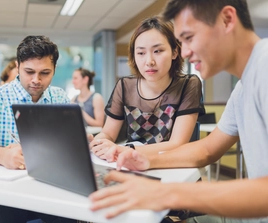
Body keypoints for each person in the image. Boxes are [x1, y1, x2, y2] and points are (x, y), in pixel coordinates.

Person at [89, 1, 268, 223]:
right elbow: (206, 150)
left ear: (227, 20)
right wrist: (144, 160)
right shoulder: (242, 88)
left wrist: (168, 193)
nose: (184, 52)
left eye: (189, 37)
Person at [0, 36, 75, 223]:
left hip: (48, 186)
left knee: (70, 214)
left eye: (45, 73)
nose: (36, 80)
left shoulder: (59, 97)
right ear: (18, 66)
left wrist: (78, 142)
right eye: (29, 72)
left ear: (54, 70)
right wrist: (2, 156)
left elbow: (69, 145)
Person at [89, 16, 205, 161]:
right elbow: (108, 133)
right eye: (141, 53)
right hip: (131, 164)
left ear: (175, 52)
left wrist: (126, 149)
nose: (149, 61)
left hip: (172, 165)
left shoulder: (188, 84)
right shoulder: (125, 86)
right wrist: (99, 142)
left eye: (157, 51)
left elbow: (177, 143)